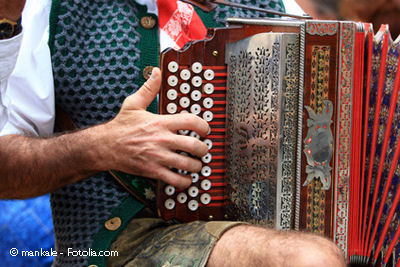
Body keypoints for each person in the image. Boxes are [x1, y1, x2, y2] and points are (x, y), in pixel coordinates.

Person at [0, 0, 345, 266]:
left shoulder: (275, 7)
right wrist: (100, 146)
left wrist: (292, 142)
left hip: (264, 224)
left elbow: (337, 132)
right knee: (308, 260)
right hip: (114, 246)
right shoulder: (52, 12)